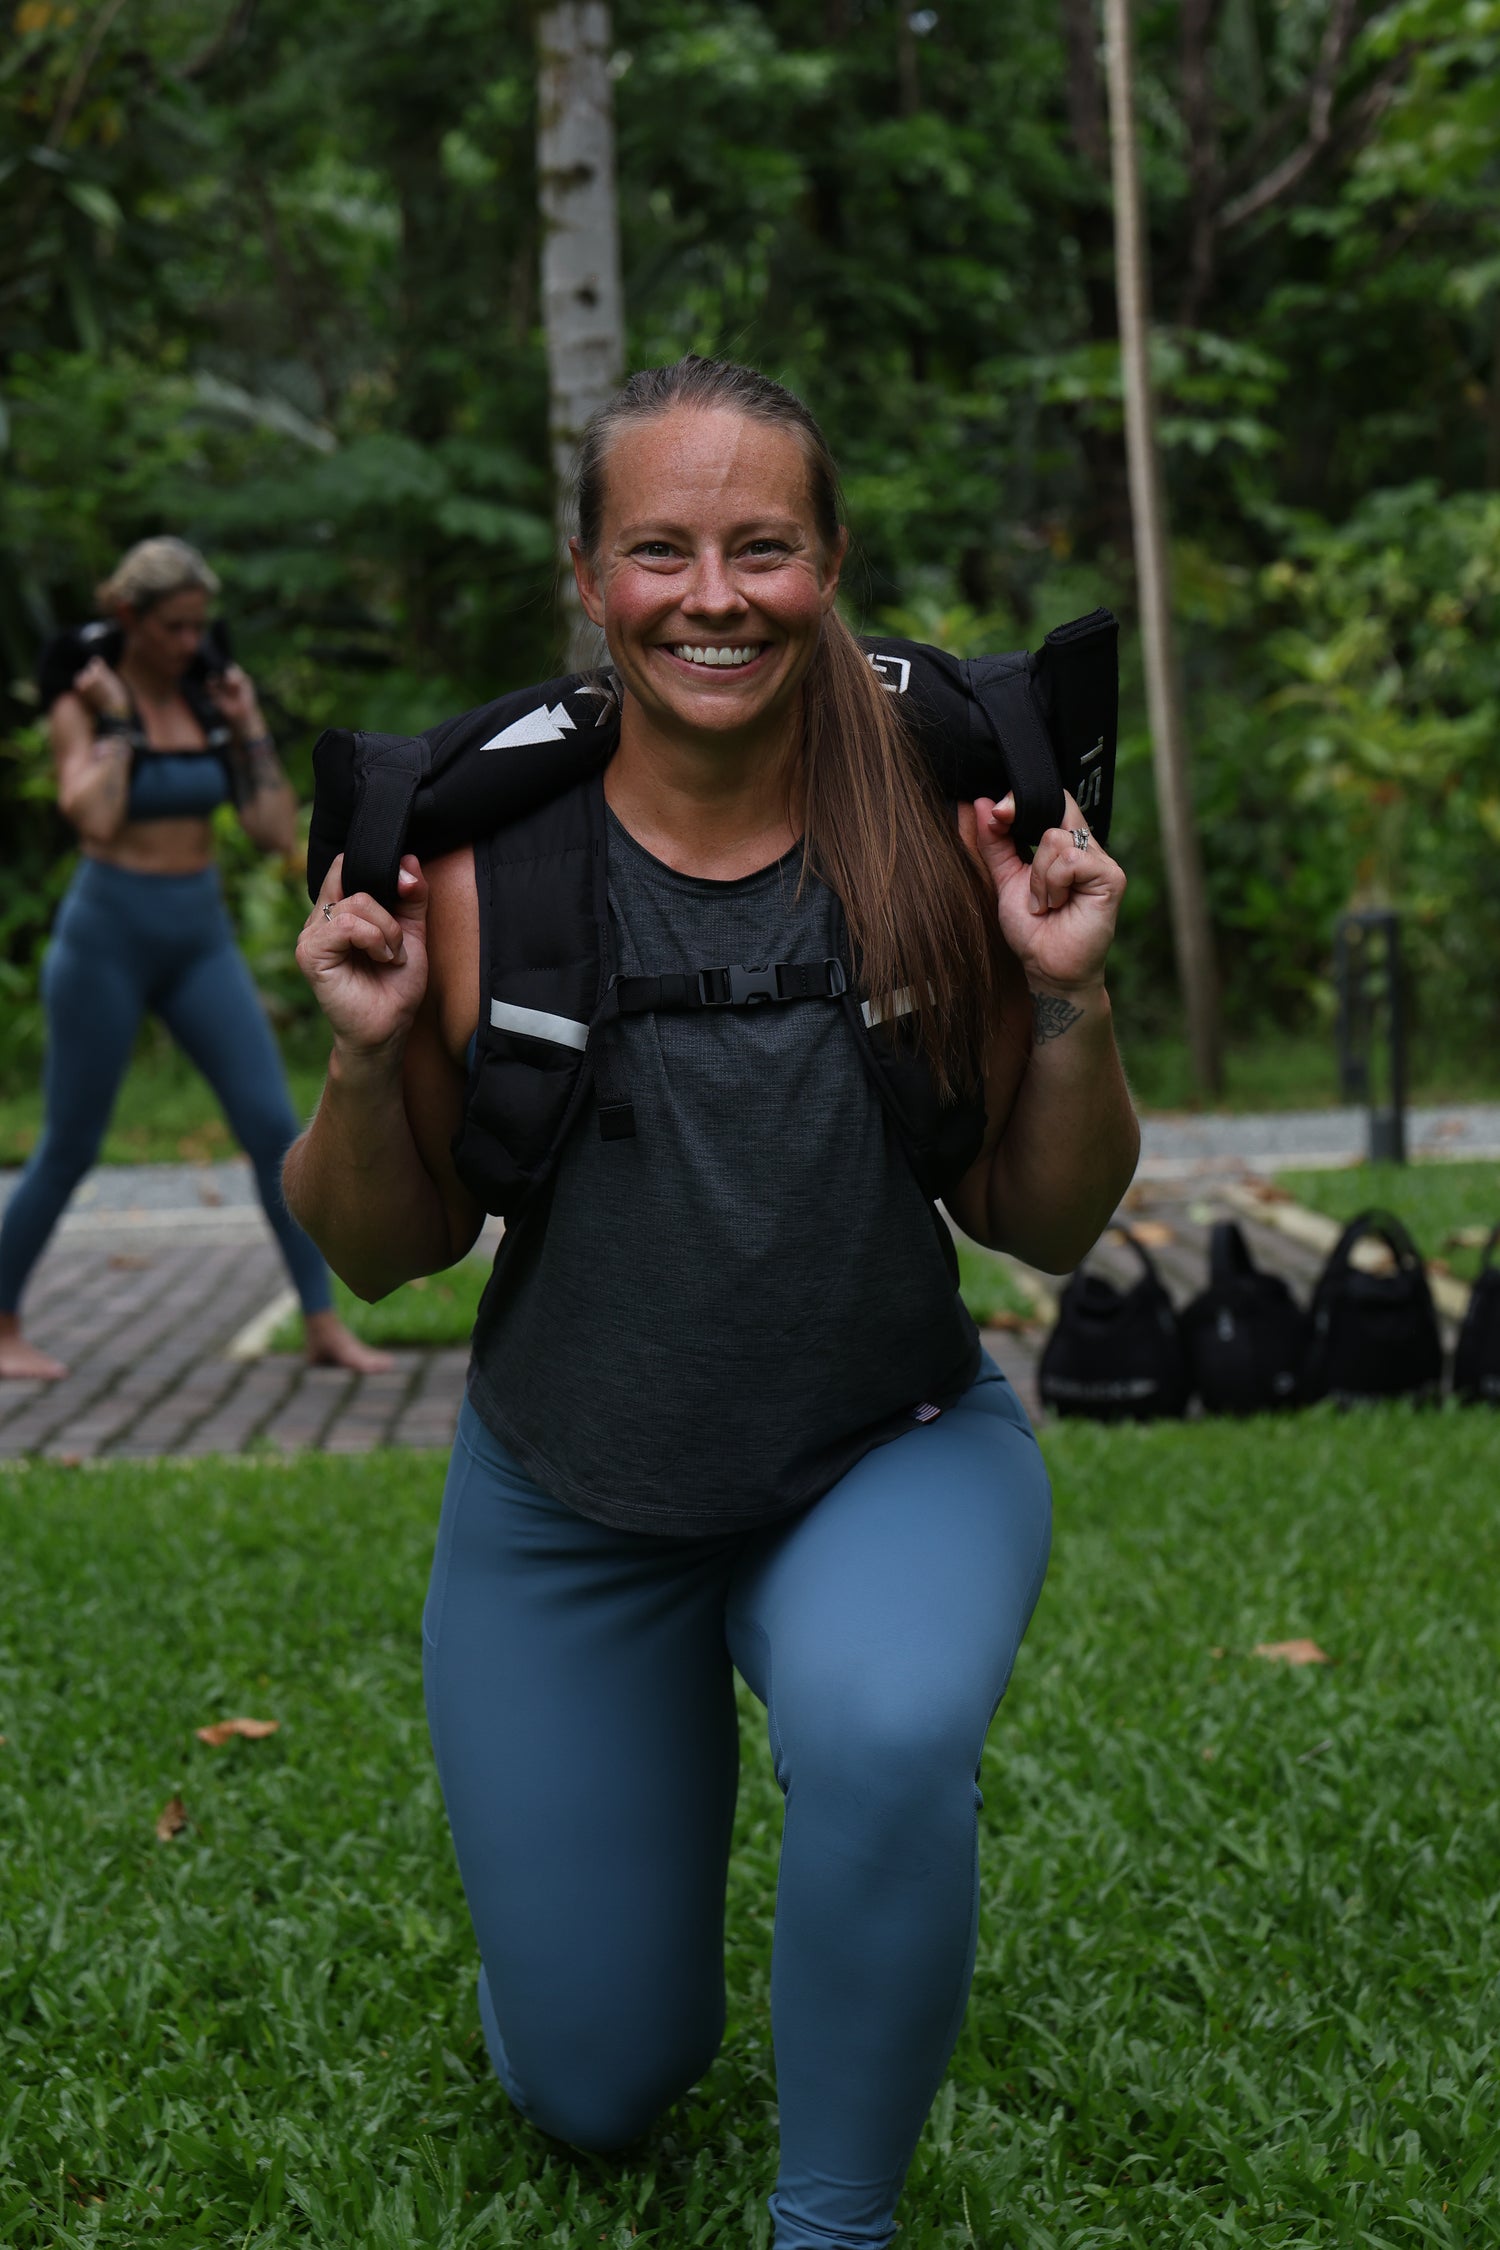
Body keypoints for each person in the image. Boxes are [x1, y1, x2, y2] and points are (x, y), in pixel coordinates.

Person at [284, 357, 1138, 2249]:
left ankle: (831, 2221)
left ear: (830, 563)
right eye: (660, 550)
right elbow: (380, 1250)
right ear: (591, 576)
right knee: (595, 2088)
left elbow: (1045, 1218)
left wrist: (1068, 1005)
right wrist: (359, 1058)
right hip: (569, 1504)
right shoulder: (482, 864)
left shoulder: (941, 829)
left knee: (890, 1727)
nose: (714, 595)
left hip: (884, 1453)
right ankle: (586, 1962)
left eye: (763, 547)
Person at [0, 536, 388, 1381]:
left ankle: (321, 1323)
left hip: (198, 937)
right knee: (70, 1143)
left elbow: (275, 834)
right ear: (128, 618)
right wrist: (114, 722)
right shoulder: (83, 696)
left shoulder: (209, 704)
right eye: (172, 628)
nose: (189, 643)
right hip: (105, 935)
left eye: (197, 628)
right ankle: (1, 1324)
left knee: (271, 1128)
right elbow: (94, 817)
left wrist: (248, 727)